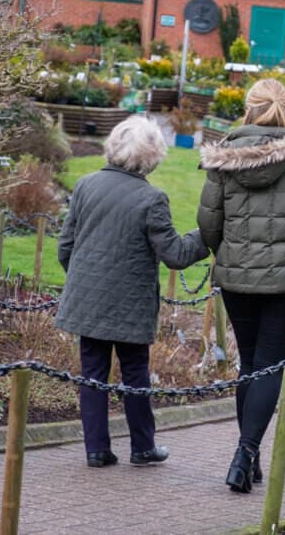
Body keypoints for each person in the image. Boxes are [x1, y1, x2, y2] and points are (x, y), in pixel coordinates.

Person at [197, 79, 285, 493]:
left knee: (250, 365)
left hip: (237, 280)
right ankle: (244, 455)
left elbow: (208, 226)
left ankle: (249, 456)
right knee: (270, 366)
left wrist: (234, 251)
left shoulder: (225, 159)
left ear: (249, 110)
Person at [55, 116, 209, 469]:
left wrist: (84, 281)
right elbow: (176, 255)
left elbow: (66, 247)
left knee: (92, 373)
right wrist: (208, 234)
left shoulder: (85, 185)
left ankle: (96, 450)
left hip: (88, 301)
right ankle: (142, 447)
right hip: (130, 306)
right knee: (135, 372)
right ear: (152, 154)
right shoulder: (151, 198)